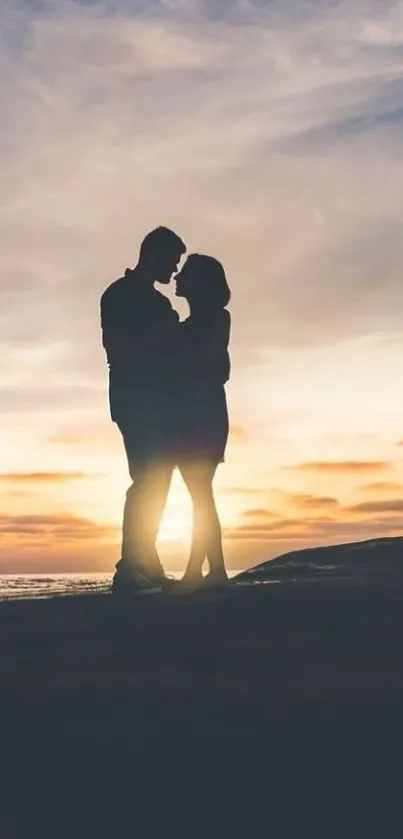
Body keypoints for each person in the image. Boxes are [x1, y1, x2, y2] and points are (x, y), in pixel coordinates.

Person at [100, 226, 186, 593]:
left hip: (158, 401)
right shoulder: (119, 295)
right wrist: (167, 334)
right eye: (172, 261)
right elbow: (119, 349)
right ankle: (130, 567)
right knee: (147, 478)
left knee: (159, 479)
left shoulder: (158, 302)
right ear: (153, 255)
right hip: (135, 399)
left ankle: (146, 562)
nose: (175, 270)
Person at [173, 254, 231, 590]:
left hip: (204, 414)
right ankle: (213, 569)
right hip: (188, 414)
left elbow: (204, 361)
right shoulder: (181, 326)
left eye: (185, 274)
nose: (177, 277)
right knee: (200, 493)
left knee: (200, 493)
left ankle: (201, 570)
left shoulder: (218, 318)